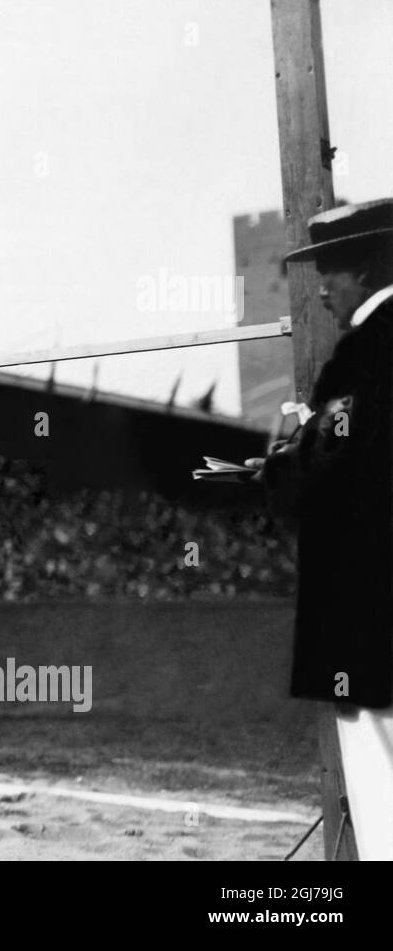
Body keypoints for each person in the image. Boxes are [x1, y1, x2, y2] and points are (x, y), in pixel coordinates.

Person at [254, 198, 393, 859]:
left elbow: (322, 465)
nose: (324, 288)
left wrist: (274, 470)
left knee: (380, 793)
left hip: (370, 625)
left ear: (366, 270)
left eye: (332, 269)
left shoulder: (364, 354)